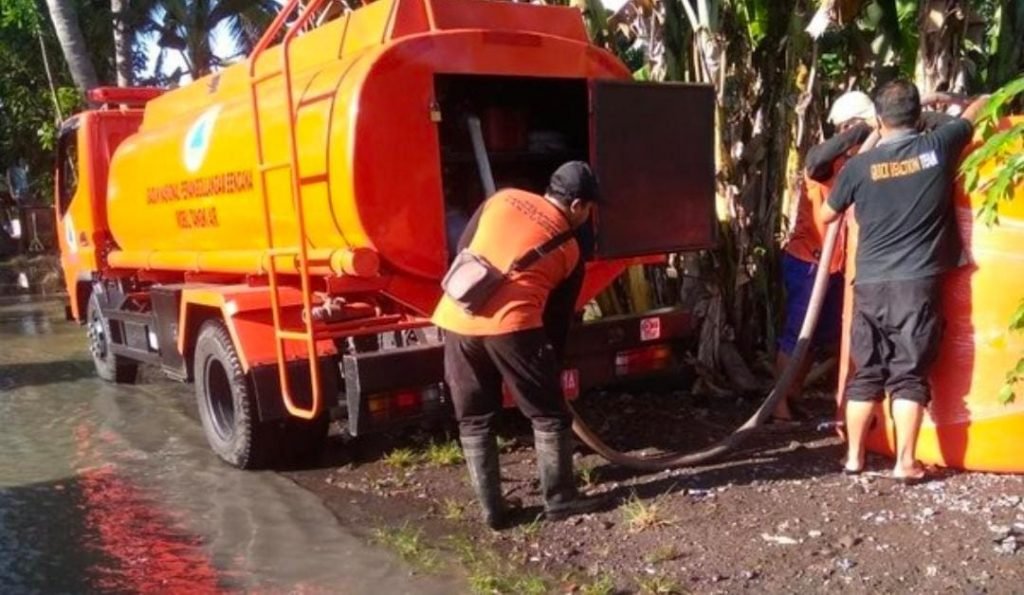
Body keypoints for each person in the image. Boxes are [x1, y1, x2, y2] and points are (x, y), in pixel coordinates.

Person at [820, 79, 989, 482]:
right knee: (909, 374)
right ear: (918, 116)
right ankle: (905, 463)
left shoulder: (860, 166)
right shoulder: (937, 148)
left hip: (869, 283)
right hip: (916, 284)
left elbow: (827, 215)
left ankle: (854, 458)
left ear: (879, 119)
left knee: (867, 372)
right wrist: (944, 100)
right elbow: (982, 104)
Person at [432, 161, 605, 528]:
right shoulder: (569, 249)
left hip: (456, 315)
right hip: (514, 325)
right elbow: (556, 322)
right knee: (549, 415)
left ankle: (492, 510)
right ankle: (560, 500)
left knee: (475, 418)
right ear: (577, 205)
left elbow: (465, 248)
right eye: (589, 208)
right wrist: (548, 373)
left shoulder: (502, 198)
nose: (587, 216)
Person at [773, 91, 876, 423]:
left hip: (836, 265)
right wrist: (862, 130)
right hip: (809, 262)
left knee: (820, 338)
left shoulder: (858, 160)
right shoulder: (826, 160)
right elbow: (814, 162)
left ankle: (795, 396)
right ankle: (779, 404)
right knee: (798, 336)